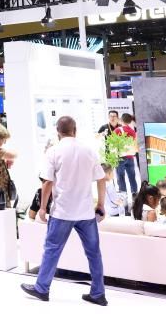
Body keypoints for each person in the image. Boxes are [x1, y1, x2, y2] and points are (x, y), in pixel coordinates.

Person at [21, 116, 107, 307]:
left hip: (62, 212)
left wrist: (42, 207)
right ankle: (98, 293)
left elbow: (47, 183)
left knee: (52, 250)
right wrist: (101, 204)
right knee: (94, 253)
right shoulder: (89, 151)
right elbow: (101, 179)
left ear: (58, 132)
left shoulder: (54, 151)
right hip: (86, 212)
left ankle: (42, 288)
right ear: (75, 130)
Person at [113, 113, 139, 197]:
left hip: (120, 157)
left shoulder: (117, 130)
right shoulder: (132, 131)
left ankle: (123, 195)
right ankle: (134, 193)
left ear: (121, 120)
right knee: (132, 176)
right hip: (130, 157)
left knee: (120, 176)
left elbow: (113, 144)